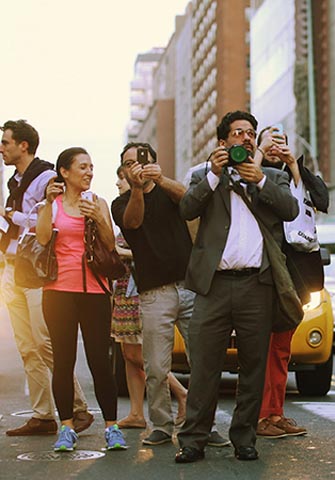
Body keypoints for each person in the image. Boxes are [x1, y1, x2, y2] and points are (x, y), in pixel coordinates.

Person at [175, 111, 298, 464]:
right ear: (223, 142)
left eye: (250, 133)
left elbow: (290, 210)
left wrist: (259, 180)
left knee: (253, 365)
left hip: (255, 284)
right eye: (238, 132)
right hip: (213, 285)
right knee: (204, 366)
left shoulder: (272, 176)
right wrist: (214, 174)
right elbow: (186, 208)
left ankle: (245, 437)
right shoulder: (205, 175)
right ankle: (194, 439)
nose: (245, 137)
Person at [0, 120, 93, 437]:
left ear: (23, 146)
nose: (2, 148)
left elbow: (48, 222)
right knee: (27, 346)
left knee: (45, 342)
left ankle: (78, 408)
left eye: (6, 142)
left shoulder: (46, 177)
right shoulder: (15, 180)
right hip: (13, 266)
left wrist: (12, 216)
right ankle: (42, 415)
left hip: (39, 270)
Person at [35, 147, 126, 451]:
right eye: (83, 167)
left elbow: (111, 245)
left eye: (91, 167)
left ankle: (112, 428)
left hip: (95, 292)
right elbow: (44, 238)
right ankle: (67, 427)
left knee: (100, 360)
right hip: (58, 292)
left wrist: (99, 218)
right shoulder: (53, 205)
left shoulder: (97, 203)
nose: (89, 172)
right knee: (63, 361)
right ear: (65, 172)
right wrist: (47, 204)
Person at [111, 142, 199, 446]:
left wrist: (160, 179)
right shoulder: (121, 202)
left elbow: (191, 201)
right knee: (156, 367)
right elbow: (133, 222)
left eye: (140, 160)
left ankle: (202, 424)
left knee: (202, 361)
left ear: (153, 161)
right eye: (127, 163)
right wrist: (137, 188)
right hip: (153, 294)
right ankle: (161, 425)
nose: (134, 167)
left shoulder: (168, 189)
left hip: (190, 287)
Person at [254, 125, 328, 438]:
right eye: (268, 141)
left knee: (281, 349)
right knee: (259, 350)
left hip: (292, 275)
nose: (275, 146)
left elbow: (321, 201)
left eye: (281, 141)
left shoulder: (300, 173)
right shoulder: (248, 172)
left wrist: (295, 166)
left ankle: (275, 413)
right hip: (258, 272)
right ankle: (260, 416)